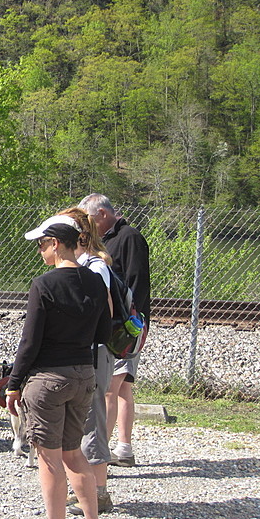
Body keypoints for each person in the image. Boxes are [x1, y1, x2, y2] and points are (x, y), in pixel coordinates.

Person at [5, 215, 111, 519]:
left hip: (48, 380)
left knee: (49, 458)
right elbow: (104, 333)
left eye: (41, 244)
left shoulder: (44, 284)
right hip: (84, 374)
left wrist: (14, 383)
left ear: (55, 244)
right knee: (73, 451)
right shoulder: (96, 281)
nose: (39, 251)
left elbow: (30, 340)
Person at [79, 193, 151, 467]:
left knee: (111, 387)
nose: (86, 227)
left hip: (123, 327)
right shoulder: (106, 240)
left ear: (101, 215)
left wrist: (134, 325)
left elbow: (137, 283)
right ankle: (125, 447)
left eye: (88, 220)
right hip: (115, 325)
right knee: (122, 388)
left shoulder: (129, 237)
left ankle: (101, 455)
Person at [57, 207, 115, 516]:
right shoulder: (81, 265)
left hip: (93, 353)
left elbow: (103, 313)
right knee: (81, 420)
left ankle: (99, 492)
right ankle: (85, 488)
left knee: (93, 419)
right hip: (80, 352)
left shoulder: (95, 267)